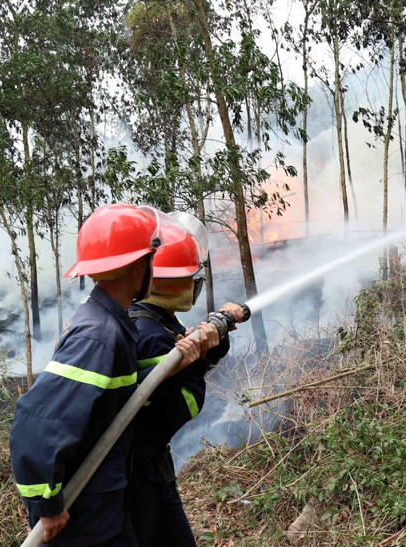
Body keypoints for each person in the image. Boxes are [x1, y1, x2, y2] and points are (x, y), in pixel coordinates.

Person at [10, 203, 161, 546]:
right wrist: (47, 505)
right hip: (83, 522)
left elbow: (112, 397)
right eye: (152, 259)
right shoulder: (98, 336)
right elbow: (36, 424)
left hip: (103, 509)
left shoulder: (109, 324)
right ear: (138, 266)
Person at [126, 212, 244, 546]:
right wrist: (198, 358)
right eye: (190, 277)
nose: (195, 284)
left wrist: (212, 345)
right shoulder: (151, 336)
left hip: (148, 467)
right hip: (138, 473)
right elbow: (180, 408)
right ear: (168, 282)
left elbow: (186, 366)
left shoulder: (156, 320)